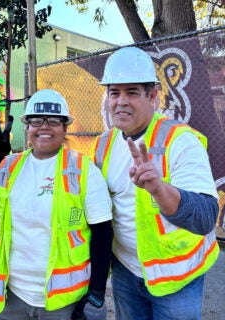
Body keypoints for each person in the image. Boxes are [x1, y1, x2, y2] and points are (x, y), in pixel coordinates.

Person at [93, 47, 219, 320]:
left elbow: (206, 216)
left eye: (132, 92)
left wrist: (159, 189)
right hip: (126, 272)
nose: (121, 101)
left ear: (153, 97)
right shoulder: (103, 144)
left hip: (177, 276)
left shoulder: (180, 141)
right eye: (114, 92)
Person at [0, 89, 113, 320]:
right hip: (9, 296)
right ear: (27, 127)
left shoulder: (83, 170)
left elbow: (103, 234)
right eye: (36, 120)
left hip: (63, 302)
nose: (44, 126)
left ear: (65, 128)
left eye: (54, 121)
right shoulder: (9, 166)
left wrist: (96, 293)